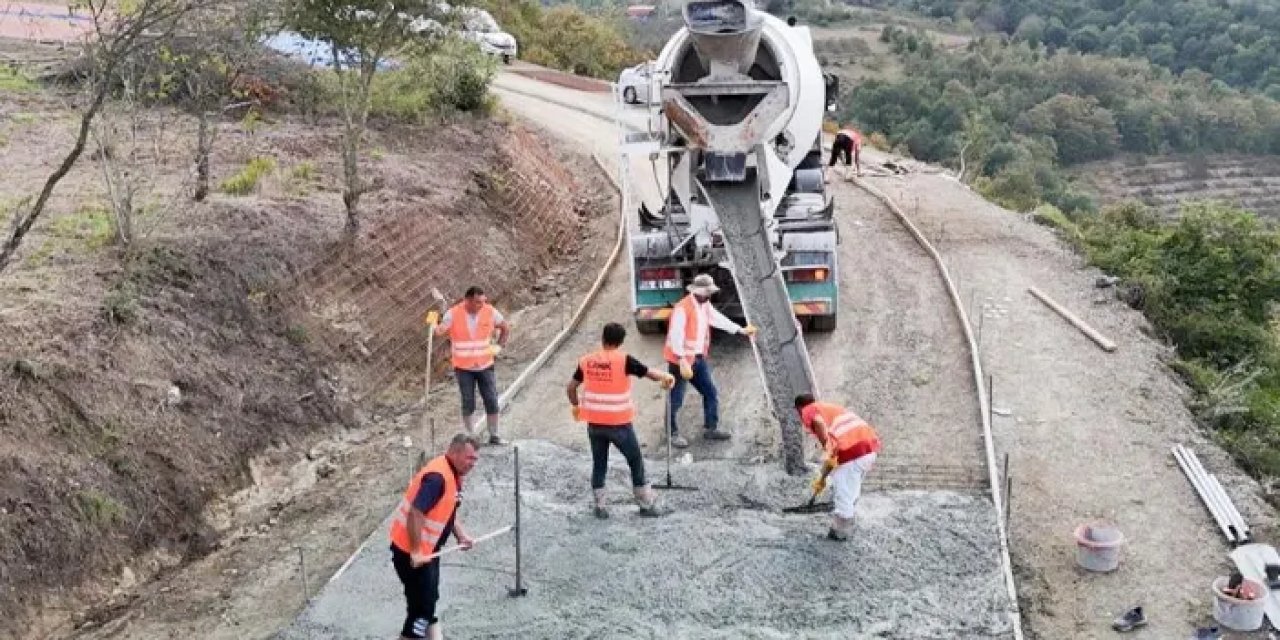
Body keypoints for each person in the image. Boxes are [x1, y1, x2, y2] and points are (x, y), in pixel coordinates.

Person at [567, 322, 676, 519]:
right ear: (621, 342)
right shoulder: (623, 360)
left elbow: (571, 387)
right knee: (635, 461)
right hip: (619, 424)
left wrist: (576, 406)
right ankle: (646, 504)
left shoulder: (587, 361)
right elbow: (650, 373)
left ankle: (600, 507)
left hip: (594, 424)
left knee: (599, 463)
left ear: (603, 339)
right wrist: (666, 377)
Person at [389, 433, 479, 640]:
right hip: (411, 555)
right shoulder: (438, 478)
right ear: (455, 453)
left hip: (427, 554)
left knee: (427, 601)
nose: (473, 464)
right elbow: (415, 512)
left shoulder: (452, 474)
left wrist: (460, 535)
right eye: (469, 458)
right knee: (421, 612)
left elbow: (447, 511)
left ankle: (428, 635)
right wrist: (416, 551)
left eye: (475, 459)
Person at [664, 273, 757, 448]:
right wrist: (681, 359)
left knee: (710, 392)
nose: (710, 295)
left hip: (697, 359)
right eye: (708, 292)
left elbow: (717, 319)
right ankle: (672, 434)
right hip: (681, 362)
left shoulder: (704, 305)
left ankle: (711, 428)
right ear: (699, 291)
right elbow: (676, 336)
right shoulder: (683, 308)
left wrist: (740, 330)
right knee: (676, 398)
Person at [426, 287, 510, 445]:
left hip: (485, 365)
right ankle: (471, 437)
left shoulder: (489, 311)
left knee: (491, 400)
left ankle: (495, 435)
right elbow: (440, 330)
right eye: (478, 302)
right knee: (468, 401)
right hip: (464, 368)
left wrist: (500, 346)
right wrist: (433, 324)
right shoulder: (453, 314)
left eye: (483, 301)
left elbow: (505, 327)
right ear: (468, 300)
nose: (482, 305)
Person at [794, 394, 881, 541]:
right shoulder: (829, 409)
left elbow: (818, 423)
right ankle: (848, 518)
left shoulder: (809, 410)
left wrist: (827, 447)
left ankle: (840, 532)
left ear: (799, 409)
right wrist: (822, 479)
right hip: (869, 450)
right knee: (850, 487)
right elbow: (833, 459)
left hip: (853, 451)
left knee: (843, 491)